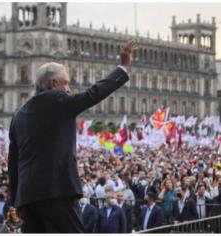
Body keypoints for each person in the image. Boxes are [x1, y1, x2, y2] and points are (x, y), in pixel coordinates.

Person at [8, 40, 136, 233]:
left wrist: (15, 200)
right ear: (53, 84)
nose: (69, 89)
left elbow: (13, 162)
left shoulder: (18, 114)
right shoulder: (58, 100)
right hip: (57, 192)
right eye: (66, 83)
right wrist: (123, 67)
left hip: (28, 198)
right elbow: (93, 94)